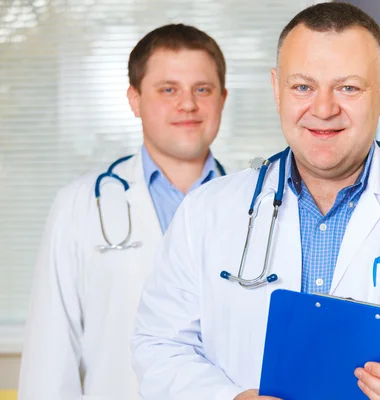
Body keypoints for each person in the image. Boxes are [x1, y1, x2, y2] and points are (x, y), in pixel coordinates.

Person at [131, 4, 380, 400]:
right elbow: (159, 346)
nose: (323, 109)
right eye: (303, 87)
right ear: (277, 90)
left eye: (348, 87)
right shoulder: (206, 212)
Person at [18, 24, 228, 400]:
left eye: (202, 89)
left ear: (222, 98)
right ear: (134, 99)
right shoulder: (80, 204)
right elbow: (50, 354)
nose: (188, 104)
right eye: (168, 89)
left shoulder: (258, 207)